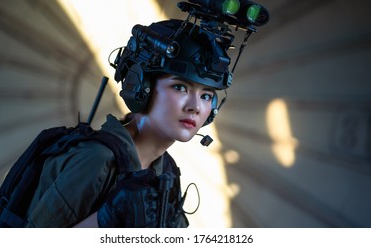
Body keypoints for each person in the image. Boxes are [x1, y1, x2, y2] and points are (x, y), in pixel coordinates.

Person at [23, 18, 234, 228]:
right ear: (141, 87)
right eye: (180, 87)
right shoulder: (96, 159)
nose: (195, 106)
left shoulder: (165, 171)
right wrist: (104, 221)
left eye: (206, 96)